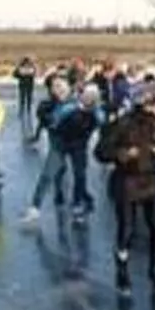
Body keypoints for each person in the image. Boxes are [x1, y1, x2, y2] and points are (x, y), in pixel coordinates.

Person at [94, 81, 155, 296]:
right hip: (127, 183)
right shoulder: (122, 124)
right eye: (150, 102)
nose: (154, 106)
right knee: (127, 230)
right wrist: (121, 154)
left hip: (152, 181)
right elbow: (101, 151)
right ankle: (122, 271)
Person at [25, 76, 78, 219]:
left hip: (76, 144)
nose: (59, 90)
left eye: (62, 86)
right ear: (51, 91)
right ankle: (35, 207)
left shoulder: (77, 103)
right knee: (49, 174)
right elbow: (46, 120)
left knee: (80, 174)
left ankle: (79, 204)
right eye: (55, 87)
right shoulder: (46, 105)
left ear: (68, 87)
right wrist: (56, 115)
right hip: (58, 145)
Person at [58, 84, 105, 220]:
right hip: (65, 142)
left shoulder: (95, 112)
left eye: (92, 99)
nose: (89, 100)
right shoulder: (70, 109)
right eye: (87, 97)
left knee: (80, 174)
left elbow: (102, 122)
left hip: (80, 145)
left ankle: (78, 200)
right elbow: (57, 122)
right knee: (60, 171)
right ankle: (65, 195)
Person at [12, 58, 37, 128]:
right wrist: (19, 73)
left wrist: (30, 73)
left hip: (29, 85)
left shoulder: (31, 67)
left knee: (29, 98)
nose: (26, 64)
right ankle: (21, 111)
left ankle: (28, 111)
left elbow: (34, 74)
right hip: (22, 85)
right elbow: (14, 75)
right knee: (22, 99)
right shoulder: (20, 67)